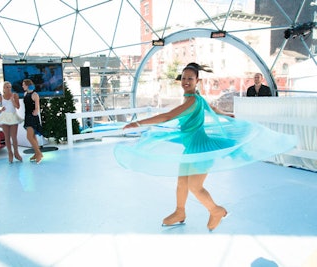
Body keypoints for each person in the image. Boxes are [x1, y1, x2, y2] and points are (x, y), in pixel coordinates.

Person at [115, 62, 297, 231]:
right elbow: (212, 109)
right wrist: (225, 114)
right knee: (181, 183)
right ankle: (180, 212)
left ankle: (216, 210)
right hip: (191, 148)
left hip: (201, 148)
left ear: (197, 81)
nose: (186, 81)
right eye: (184, 78)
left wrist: (138, 123)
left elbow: (167, 116)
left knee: (195, 186)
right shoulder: (196, 98)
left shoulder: (192, 101)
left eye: (190, 79)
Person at [0, 81, 24, 163]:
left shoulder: (15, 95)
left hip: (13, 116)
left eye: (10, 87)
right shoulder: (1, 97)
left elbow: (18, 107)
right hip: (5, 117)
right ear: (3, 89)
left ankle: (16, 153)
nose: (9, 88)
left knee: (14, 136)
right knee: (7, 137)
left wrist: (13, 101)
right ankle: (10, 153)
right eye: (7, 87)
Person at [22, 79, 43, 164]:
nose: (22, 86)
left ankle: (39, 154)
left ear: (27, 85)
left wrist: (36, 111)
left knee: (29, 136)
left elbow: (37, 106)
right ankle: (36, 153)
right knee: (33, 137)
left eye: (24, 85)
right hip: (27, 116)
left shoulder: (35, 94)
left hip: (32, 117)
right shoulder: (25, 94)